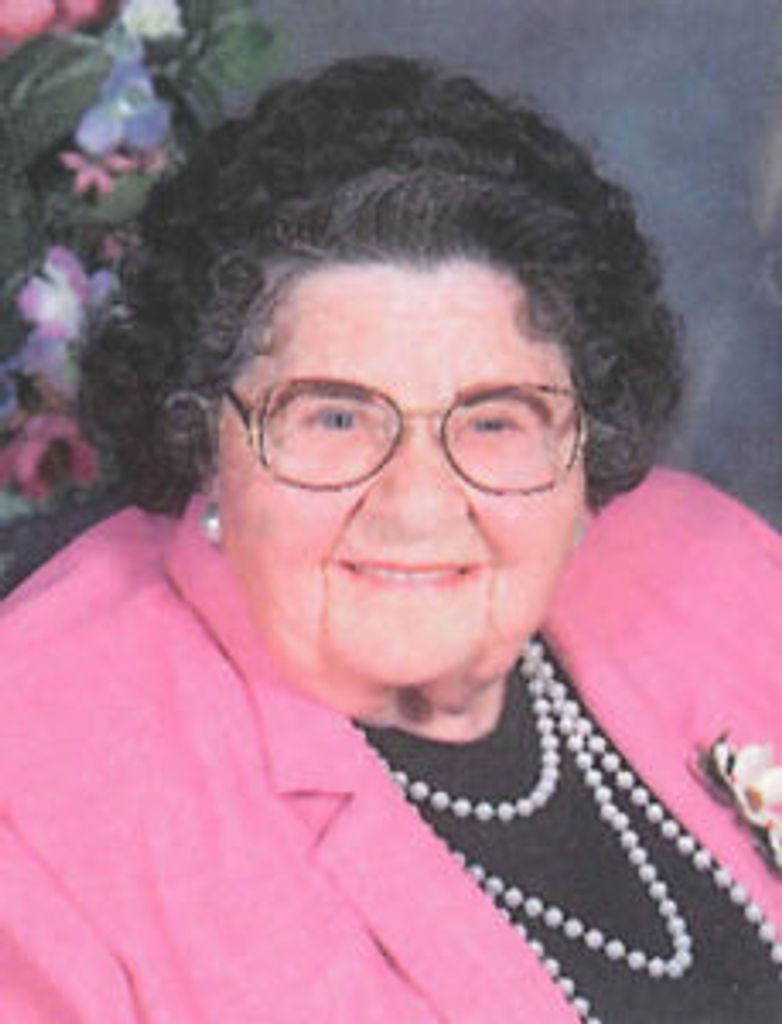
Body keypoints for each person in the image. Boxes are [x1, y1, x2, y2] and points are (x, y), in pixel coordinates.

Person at [1, 55, 780, 1024]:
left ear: (586, 442)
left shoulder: (715, 565)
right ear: (200, 432)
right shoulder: (38, 794)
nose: (417, 505)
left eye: (494, 420)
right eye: (334, 418)